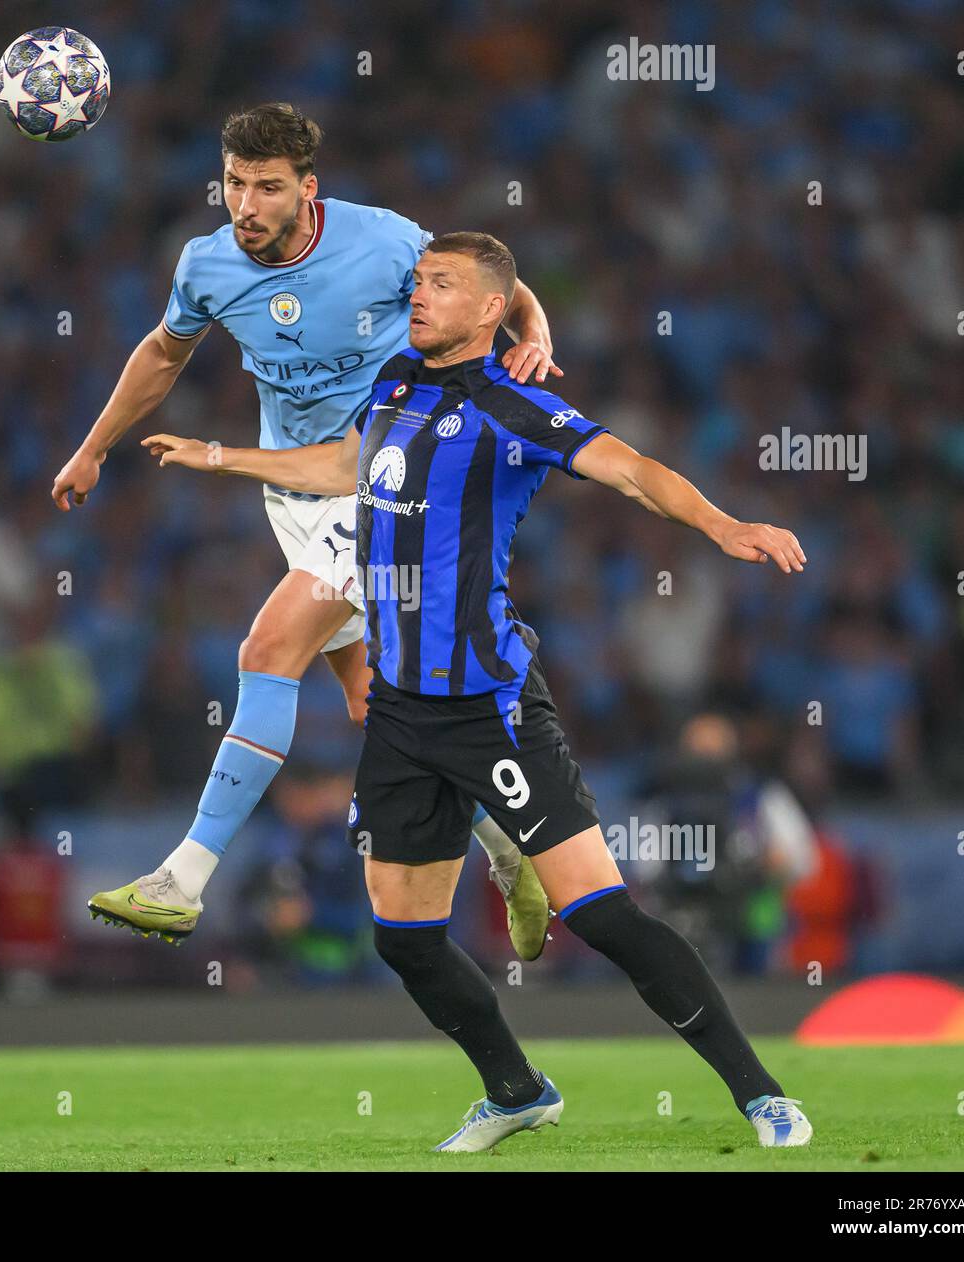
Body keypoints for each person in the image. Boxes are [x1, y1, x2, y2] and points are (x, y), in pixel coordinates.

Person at [148, 231, 814, 1152]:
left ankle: (763, 1096)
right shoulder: (393, 381)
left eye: (442, 284)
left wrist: (723, 524)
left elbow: (631, 470)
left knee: (603, 916)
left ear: (492, 308)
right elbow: (344, 464)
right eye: (418, 280)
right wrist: (220, 456)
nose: (418, 295)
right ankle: (516, 1090)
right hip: (398, 711)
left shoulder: (512, 403)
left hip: (490, 706)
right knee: (404, 938)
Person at [54, 103, 554, 956]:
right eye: (234, 184)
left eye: (267, 188)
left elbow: (488, 282)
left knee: (267, 647)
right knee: (376, 700)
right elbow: (164, 353)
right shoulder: (206, 263)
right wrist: (93, 448)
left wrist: (532, 330)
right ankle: (511, 853)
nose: (246, 205)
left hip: (387, 478)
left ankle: (182, 879)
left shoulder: (384, 241)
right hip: (295, 489)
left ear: (307, 189)